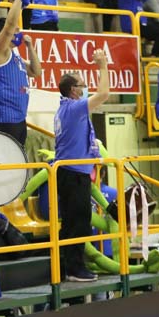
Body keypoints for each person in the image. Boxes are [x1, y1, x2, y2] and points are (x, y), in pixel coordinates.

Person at [54, 49, 110, 284]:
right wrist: (102, 65)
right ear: (74, 91)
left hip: (71, 172)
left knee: (71, 223)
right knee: (78, 223)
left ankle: (66, 267)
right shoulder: (74, 108)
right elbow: (104, 93)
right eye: (81, 83)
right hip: (73, 173)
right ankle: (75, 269)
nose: (85, 85)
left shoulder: (67, 108)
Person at [0, 0, 42, 145]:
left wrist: (30, 47)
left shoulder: (14, 54)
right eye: (16, 31)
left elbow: (36, 72)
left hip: (18, 117)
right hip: (4, 117)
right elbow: (9, 26)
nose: (18, 32)